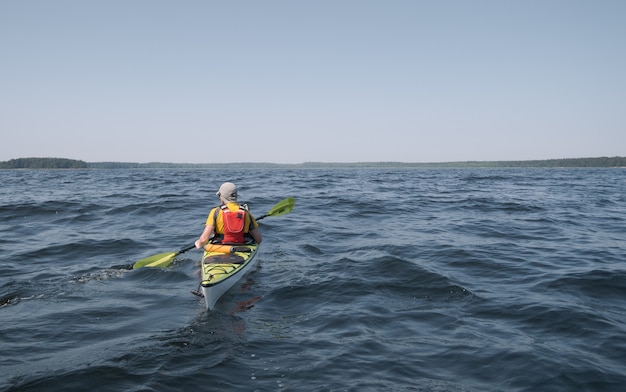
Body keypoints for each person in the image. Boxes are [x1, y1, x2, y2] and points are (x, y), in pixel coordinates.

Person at [195, 182, 262, 249]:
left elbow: (204, 240)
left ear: (222, 196)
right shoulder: (246, 213)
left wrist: (199, 243)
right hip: (242, 247)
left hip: (221, 248)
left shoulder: (215, 212)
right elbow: (258, 239)